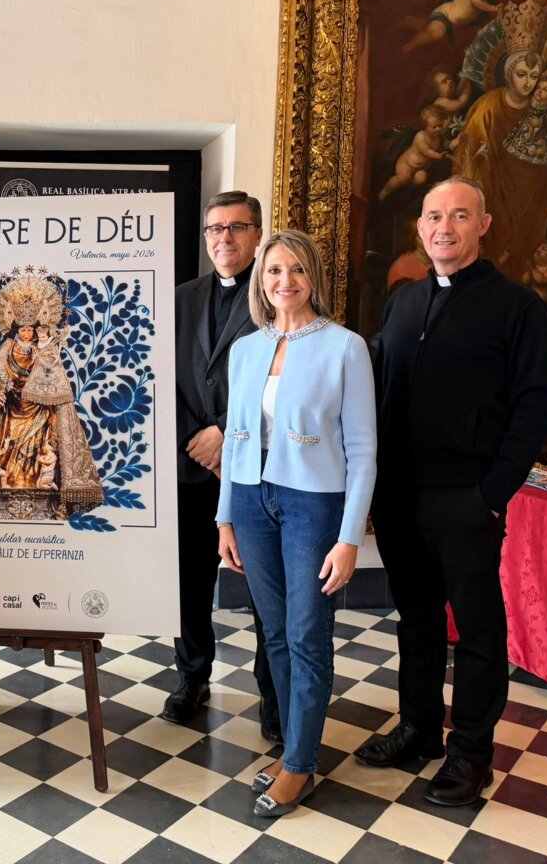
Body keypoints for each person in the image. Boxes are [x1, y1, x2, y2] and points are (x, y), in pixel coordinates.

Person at [357, 176, 547, 806]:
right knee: (414, 621)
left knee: (474, 629)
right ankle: (418, 730)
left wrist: (492, 493)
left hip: (466, 499)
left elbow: (535, 407)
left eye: (459, 215)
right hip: (401, 497)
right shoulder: (403, 303)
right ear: (420, 227)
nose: (444, 226)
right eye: (434, 215)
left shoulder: (518, 308)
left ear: (484, 225)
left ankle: (471, 752)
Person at [216, 229, 376, 818]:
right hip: (253, 504)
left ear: (314, 278)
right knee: (275, 635)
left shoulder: (345, 347)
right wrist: (225, 519)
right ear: (262, 279)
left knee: (308, 636)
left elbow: (362, 450)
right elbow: (236, 442)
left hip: (314, 506)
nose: (285, 282)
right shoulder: (245, 350)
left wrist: (350, 537)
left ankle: (301, 767)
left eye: (296, 270)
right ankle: (293, 753)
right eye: (274, 271)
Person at [168, 191, 278, 732]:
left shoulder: (279, 294)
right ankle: (192, 676)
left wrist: (224, 436)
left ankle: (272, 695)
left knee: (263, 586)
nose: (225, 238)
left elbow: (282, 385)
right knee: (189, 582)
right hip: (192, 470)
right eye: (215, 228)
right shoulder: (181, 299)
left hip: (255, 468)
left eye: (237, 227)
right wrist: (197, 436)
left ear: (257, 235)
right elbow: (162, 380)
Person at [0, 273, 103, 519]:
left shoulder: (42, 349)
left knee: (40, 443)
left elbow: (53, 374)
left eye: (30, 329)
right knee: (7, 444)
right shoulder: (8, 347)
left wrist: (44, 365)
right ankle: (1, 488)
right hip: (11, 406)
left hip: (39, 405)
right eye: (23, 329)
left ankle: (39, 486)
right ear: (16, 327)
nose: (27, 333)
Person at [458, 0, 547, 280]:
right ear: (509, 72)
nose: (528, 82)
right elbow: (471, 156)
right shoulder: (489, 107)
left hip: (532, 199)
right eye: (522, 74)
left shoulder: (545, 113)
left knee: (525, 258)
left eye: (534, 76)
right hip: (493, 196)